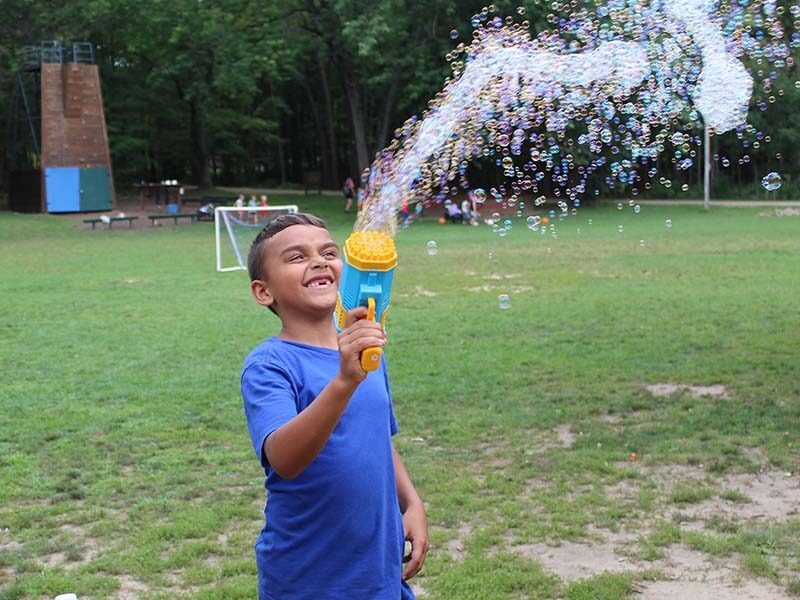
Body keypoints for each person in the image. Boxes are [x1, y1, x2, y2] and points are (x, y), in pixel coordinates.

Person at [241, 213, 429, 600]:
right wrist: (344, 381)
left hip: (378, 570)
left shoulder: (365, 348)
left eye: (329, 252)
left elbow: (378, 438)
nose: (319, 261)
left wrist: (411, 502)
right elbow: (284, 459)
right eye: (297, 257)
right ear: (263, 291)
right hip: (310, 577)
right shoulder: (270, 365)